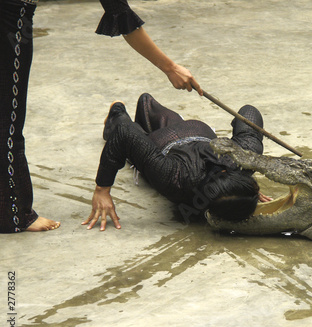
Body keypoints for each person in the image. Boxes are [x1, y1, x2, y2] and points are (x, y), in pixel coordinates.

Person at [0, 0, 199, 233]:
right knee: (7, 124)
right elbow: (120, 14)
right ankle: (13, 214)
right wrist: (171, 68)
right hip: (9, 17)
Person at [82, 93, 270, 231]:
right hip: (165, 139)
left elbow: (248, 111)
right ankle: (119, 111)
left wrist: (244, 181)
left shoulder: (242, 160)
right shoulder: (174, 178)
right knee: (120, 126)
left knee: (146, 104)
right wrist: (102, 190)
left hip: (191, 130)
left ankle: (136, 107)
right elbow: (124, 133)